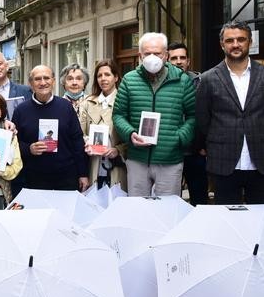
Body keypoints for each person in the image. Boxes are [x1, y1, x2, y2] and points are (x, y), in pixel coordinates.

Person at [196, 21, 264, 206]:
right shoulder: (207, 79)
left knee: (263, 221)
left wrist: (256, 130)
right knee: (227, 223)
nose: (235, 44)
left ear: (250, 42)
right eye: (230, 40)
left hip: (261, 160)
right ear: (222, 44)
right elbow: (203, 120)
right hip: (224, 162)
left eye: (241, 39)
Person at [112, 32, 196, 197]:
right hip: (137, 159)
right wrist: (130, 133)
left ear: (165, 55)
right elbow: (118, 115)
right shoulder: (129, 80)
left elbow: (193, 116)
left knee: (166, 211)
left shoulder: (182, 81)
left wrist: (178, 138)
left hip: (170, 159)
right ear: (140, 55)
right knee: (138, 211)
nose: (152, 57)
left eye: (157, 53)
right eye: (147, 53)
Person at [12, 65, 89, 191]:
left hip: (66, 177)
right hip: (33, 178)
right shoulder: (21, 110)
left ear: (53, 81)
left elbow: (77, 141)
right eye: (37, 79)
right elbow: (13, 144)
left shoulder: (66, 107)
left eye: (46, 78)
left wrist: (83, 173)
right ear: (31, 83)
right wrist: (28, 149)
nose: (43, 82)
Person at [169, 42, 207, 205]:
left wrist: (205, 145)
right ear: (166, 60)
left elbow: (208, 115)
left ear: (188, 61)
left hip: (195, 152)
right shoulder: (159, 84)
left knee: (199, 201)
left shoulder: (201, 82)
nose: (179, 61)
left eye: (182, 57)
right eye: (174, 58)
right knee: (171, 201)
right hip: (169, 152)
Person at [79, 59, 127, 190]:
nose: (103, 79)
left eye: (107, 74)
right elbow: (79, 133)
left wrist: (118, 150)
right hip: (93, 164)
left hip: (118, 166)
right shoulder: (87, 103)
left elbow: (132, 136)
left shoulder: (125, 102)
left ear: (116, 77)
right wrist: (87, 141)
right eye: (99, 76)